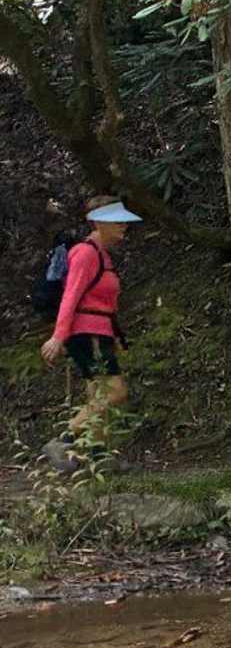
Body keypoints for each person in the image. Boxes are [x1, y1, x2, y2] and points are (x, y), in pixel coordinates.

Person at [38, 195, 142, 471]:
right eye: (117, 221)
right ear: (98, 223)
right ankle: (62, 440)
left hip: (98, 331)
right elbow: (71, 296)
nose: (124, 226)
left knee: (97, 396)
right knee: (116, 391)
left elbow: (104, 303)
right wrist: (59, 336)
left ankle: (99, 457)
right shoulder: (85, 253)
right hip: (86, 333)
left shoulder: (101, 255)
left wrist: (115, 335)